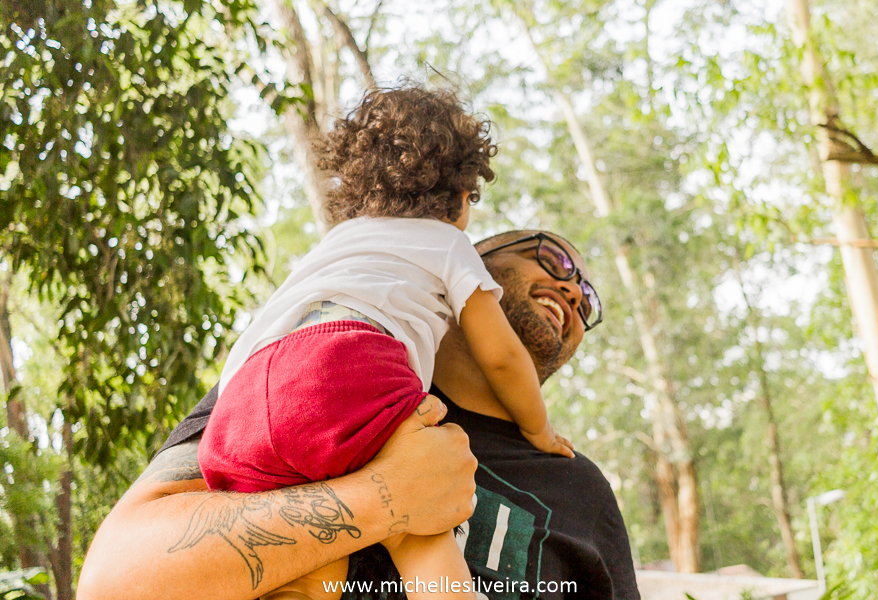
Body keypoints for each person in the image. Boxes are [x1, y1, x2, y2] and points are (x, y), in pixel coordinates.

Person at [77, 229, 640, 600]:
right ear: (474, 262)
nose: (573, 292)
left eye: (587, 301)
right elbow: (113, 583)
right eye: (555, 260)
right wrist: (385, 498)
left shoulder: (581, 490)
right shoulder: (307, 371)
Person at [197, 86, 575, 600]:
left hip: (240, 405)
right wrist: (539, 428)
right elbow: (503, 357)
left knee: (311, 553)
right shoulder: (449, 242)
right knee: (420, 520)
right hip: (347, 369)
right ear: (461, 194)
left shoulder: (336, 241)